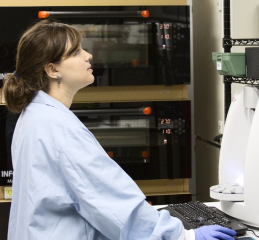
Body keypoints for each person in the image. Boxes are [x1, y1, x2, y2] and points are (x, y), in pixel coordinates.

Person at [3, 19, 237, 240]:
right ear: (53, 70)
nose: (88, 56)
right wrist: (183, 235)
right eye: (76, 52)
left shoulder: (33, 114)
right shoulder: (60, 129)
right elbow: (112, 204)